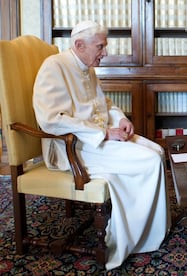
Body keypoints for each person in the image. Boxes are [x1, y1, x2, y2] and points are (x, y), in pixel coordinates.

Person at [33, 21, 170, 270]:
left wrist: (121, 119)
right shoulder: (54, 66)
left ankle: (152, 228)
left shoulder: (86, 67)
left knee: (158, 151)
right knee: (148, 161)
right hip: (71, 148)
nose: (105, 52)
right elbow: (51, 120)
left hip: (95, 139)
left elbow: (103, 103)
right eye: (100, 46)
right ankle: (133, 238)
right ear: (79, 45)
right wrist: (104, 132)